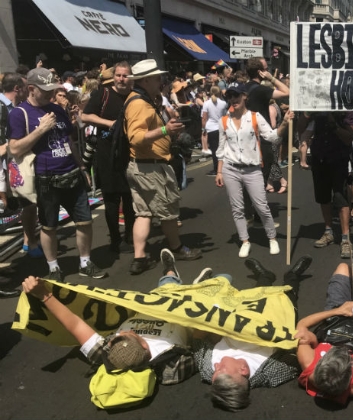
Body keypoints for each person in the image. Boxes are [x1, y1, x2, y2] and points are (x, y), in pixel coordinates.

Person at [20, 248, 206, 384]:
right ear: (144, 346)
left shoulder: (108, 356)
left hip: (155, 304)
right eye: (131, 334)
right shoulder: (171, 369)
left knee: (165, 286)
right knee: (181, 291)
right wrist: (202, 311)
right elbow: (200, 349)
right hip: (182, 312)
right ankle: (199, 290)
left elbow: (74, 324)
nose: (119, 334)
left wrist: (43, 295)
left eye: (114, 338)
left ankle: (171, 273)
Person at [7, 68, 105, 282]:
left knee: (84, 221)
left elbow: (69, 140)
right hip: (45, 178)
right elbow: (14, 148)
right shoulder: (19, 113)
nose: (50, 94)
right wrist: (41, 130)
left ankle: (85, 262)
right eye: (45, 90)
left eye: (52, 89)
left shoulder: (57, 109)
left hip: (71, 172)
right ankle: (53, 267)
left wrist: (81, 166)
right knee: (49, 226)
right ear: (31, 89)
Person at [192, 255, 313, 411]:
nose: (215, 365)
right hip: (276, 320)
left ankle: (265, 276)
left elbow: (197, 340)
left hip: (244, 316)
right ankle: (292, 276)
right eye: (221, 369)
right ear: (243, 369)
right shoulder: (271, 373)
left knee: (256, 294)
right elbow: (297, 355)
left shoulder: (209, 372)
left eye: (215, 371)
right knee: (288, 296)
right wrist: (302, 338)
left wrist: (212, 318)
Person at [124, 59, 201, 275]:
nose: (161, 81)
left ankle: (140, 258)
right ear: (146, 80)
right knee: (168, 213)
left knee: (143, 213)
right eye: (157, 77)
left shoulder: (139, 100)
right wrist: (166, 131)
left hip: (141, 166)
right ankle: (176, 248)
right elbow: (136, 137)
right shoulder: (139, 103)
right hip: (151, 167)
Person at [215, 82, 292, 258]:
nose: (233, 99)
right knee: (237, 208)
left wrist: (285, 123)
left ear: (244, 96)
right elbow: (221, 149)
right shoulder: (224, 121)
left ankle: (272, 238)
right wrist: (219, 172)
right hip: (230, 169)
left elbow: (272, 137)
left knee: (261, 206)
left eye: (236, 95)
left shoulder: (255, 117)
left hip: (252, 169)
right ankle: (245, 241)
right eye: (229, 96)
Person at [294, 262, 353, 404]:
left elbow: (302, 326)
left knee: (343, 267)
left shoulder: (308, 365)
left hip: (337, 314)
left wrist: (339, 311)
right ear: (350, 371)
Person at [80, 62, 135, 254]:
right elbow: (84, 116)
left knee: (130, 199)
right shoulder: (103, 94)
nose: (121, 79)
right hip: (107, 155)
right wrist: (109, 123)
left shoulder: (134, 96)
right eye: (118, 75)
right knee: (111, 200)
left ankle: (130, 236)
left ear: (131, 78)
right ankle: (115, 240)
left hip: (130, 155)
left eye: (125, 76)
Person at [297, 112, 353, 259]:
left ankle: (345, 238)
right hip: (320, 157)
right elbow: (301, 129)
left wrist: (333, 123)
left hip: (339, 158)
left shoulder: (347, 109)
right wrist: (306, 114)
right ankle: (328, 231)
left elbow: (349, 137)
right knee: (323, 197)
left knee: (340, 197)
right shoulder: (317, 109)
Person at [0, 72, 41, 259]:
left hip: (16, 166)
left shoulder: (20, 108)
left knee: (28, 203)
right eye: (26, 87)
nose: (29, 91)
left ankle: (29, 241)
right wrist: (8, 146)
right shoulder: (1, 107)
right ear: (18, 88)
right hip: (3, 167)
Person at [244, 57, 290, 194]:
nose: (268, 71)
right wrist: (272, 78)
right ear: (260, 72)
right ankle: (257, 204)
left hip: (245, 137)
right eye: (266, 69)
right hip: (261, 138)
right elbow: (286, 92)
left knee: (248, 179)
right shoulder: (261, 90)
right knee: (260, 179)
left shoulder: (242, 89)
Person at [201, 85, 228, 176]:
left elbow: (204, 118)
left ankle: (216, 169)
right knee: (223, 147)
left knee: (214, 149)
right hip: (221, 127)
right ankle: (224, 167)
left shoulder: (206, 103)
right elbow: (225, 116)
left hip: (211, 128)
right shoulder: (223, 103)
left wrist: (203, 129)